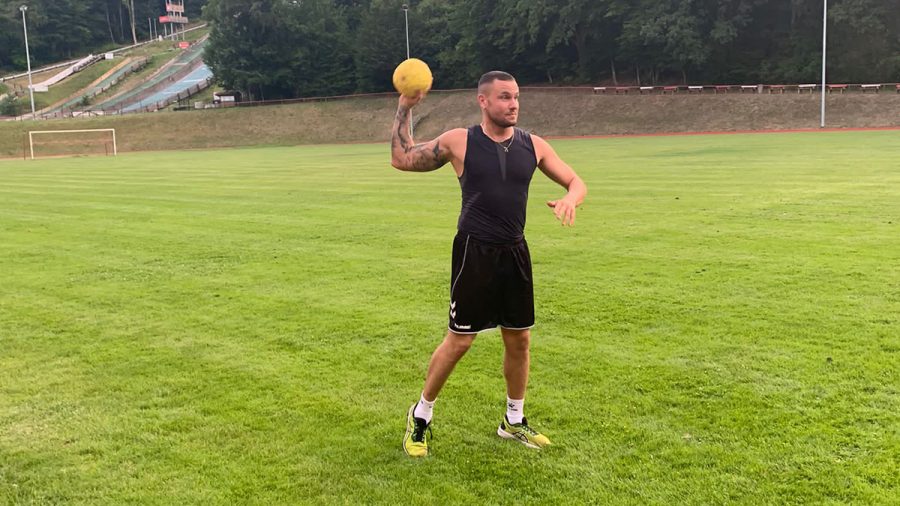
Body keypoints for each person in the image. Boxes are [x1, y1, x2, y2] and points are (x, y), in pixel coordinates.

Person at [390, 70, 587, 458]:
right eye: (503, 97)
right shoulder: (458, 141)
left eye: (516, 97)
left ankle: (513, 421)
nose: (512, 104)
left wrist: (571, 199)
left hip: (515, 253)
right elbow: (401, 158)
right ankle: (421, 415)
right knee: (460, 340)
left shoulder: (534, 145)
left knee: (520, 339)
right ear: (483, 101)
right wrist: (403, 109)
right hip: (474, 252)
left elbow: (576, 181)